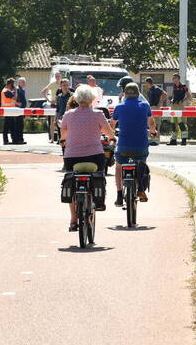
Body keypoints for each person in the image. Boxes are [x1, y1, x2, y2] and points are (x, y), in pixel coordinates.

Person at [60, 84, 114, 231]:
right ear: (92, 99)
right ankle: (98, 199)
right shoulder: (98, 114)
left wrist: (63, 141)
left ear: (76, 99)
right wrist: (112, 137)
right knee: (99, 176)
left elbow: (63, 133)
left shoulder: (68, 115)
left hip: (72, 156)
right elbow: (108, 132)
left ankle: (73, 220)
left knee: (71, 184)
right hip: (95, 156)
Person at [110, 83, 157, 205]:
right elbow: (151, 123)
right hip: (141, 145)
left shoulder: (119, 107)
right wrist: (153, 132)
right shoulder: (145, 106)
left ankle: (119, 194)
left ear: (125, 94)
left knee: (119, 166)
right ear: (138, 94)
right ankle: (141, 189)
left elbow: (112, 124)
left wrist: (112, 135)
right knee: (142, 161)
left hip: (123, 146)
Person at [167, 73, 189, 146]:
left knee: (181, 123)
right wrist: (172, 100)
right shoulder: (174, 86)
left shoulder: (183, 86)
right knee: (173, 123)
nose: (174, 80)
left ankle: (184, 140)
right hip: (174, 106)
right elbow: (174, 95)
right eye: (173, 79)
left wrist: (183, 100)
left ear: (178, 79)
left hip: (180, 106)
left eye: (175, 78)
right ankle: (173, 140)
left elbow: (189, 96)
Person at [42, 71, 62, 141]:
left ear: (60, 76)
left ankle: (60, 138)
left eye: (58, 76)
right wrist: (49, 100)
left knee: (60, 121)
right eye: (56, 76)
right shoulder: (52, 84)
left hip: (61, 104)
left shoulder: (63, 84)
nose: (57, 77)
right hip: (53, 103)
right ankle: (52, 138)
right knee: (52, 121)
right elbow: (43, 91)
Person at [52, 78, 73, 143]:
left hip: (70, 119)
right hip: (60, 120)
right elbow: (57, 109)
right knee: (62, 139)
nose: (65, 87)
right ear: (60, 86)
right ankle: (63, 151)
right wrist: (55, 119)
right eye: (64, 85)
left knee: (69, 138)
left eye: (67, 85)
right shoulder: (58, 97)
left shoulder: (73, 96)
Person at [0, 78, 18, 144]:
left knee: (11, 126)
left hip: (9, 111)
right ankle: (6, 141)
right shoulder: (6, 91)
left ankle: (13, 140)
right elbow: (15, 98)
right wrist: (16, 90)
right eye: (13, 85)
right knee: (7, 127)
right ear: (10, 84)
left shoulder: (6, 91)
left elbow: (11, 99)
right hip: (8, 111)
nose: (13, 86)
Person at [14, 77, 29, 145]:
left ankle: (20, 139)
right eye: (22, 82)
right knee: (18, 125)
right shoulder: (17, 89)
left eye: (24, 82)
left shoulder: (22, 90)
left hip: (22, 110)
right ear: (19, 82)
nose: (24, 83)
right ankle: (17, 139)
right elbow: (13, 98)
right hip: (18, 110)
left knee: (21, 125)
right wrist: (17, 103)